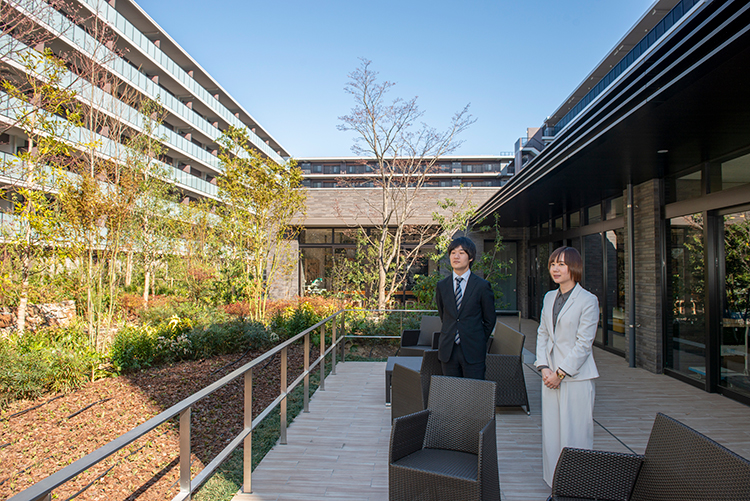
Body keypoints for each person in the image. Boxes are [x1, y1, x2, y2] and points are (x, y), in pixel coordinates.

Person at [534, 246, 599, 487]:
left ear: (574, 267)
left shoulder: (588, 300)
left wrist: (560, 373)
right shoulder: (549, 297)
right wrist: (544, 368)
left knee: (576, 436)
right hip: (549, 376)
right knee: (552, 435)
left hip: (575, 378)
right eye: (553, 264)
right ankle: (555, 485)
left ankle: (576, 487)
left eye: (561, 264)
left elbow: (584, 344)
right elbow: (542, 333)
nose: (556, 269)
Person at [435, 236, 495, 379]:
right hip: (448, 350)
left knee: (474, 394)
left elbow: (490, 320)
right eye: (453, 252)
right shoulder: (442, 286)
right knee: (452, 394)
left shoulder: (482, 286)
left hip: (473, 350)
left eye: (461, 252)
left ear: (471, 257)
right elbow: (444, 316)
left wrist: (477, 339)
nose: (456, 256)